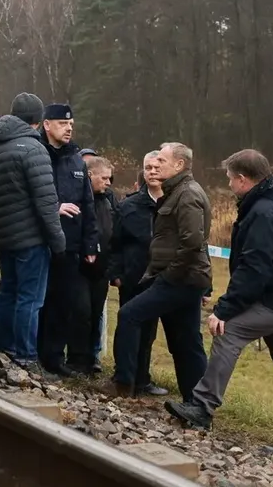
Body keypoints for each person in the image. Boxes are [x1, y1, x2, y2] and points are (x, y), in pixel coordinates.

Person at [164, 149, 273, 462]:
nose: (228, 184)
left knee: (229, 330)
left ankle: (201, 407)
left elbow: (256, 268)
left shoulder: (265, 211)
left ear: (242, 179)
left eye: (229, 179)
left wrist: (224, 309)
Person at [110, 142, 211, 400]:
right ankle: (196, 401)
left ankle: (124, 385)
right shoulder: (176, 191)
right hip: (182, 277)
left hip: (180, 278)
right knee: (185, 341)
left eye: (162, 161)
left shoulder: (187, 194)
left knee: (130, 315)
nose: (156, 166)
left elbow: (192, 243)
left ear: (179, 165)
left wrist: (168, 275)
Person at [0, 93, 66, 372]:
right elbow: (46, 201)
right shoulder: (33, 149)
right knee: (30, 298)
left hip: (4, 234)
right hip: (31, 237)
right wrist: (58, 241)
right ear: (37, 121)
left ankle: (4, 346)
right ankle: (26, 356)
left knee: (8, 291)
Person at [37, 103, 98, 377]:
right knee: (40, 301)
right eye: (62, 123)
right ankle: (32, 354)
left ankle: (54, 358)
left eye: (71, 124)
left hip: (71, 245)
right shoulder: (37, 154)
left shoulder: (76, 159)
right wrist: (54, 209)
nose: (69, 128)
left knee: (63, 304)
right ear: (46, 124)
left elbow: (87, 203)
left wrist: (89, 243)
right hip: (41, 241)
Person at [105, 152, 169, 397]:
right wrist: (116, 273)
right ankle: (124, 378)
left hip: (161, 279)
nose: (152, 172)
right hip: (132, 276)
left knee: (149, 332)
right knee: (129, 327)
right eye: (148, 168)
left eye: (156, 167)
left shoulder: (174, 204)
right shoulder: (128, 205)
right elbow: (115, 243)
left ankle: (143, 379)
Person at [82, 154, 116, 375]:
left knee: (96, 313)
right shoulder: (79, 199)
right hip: (80, 267)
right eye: (104, 178)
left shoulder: (108, 199)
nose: (108, 183)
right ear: (90, 175)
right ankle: (76, 355)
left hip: (102, 268)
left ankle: (92, 356)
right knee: (80, 312)